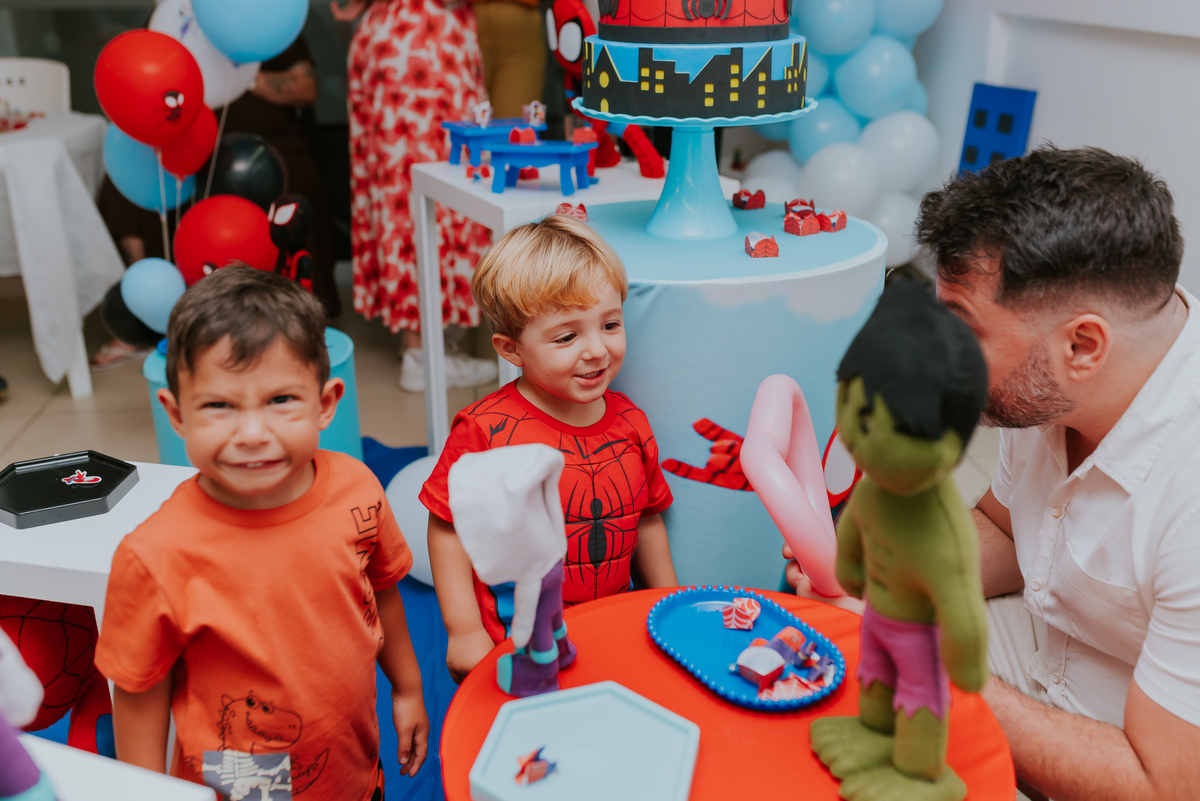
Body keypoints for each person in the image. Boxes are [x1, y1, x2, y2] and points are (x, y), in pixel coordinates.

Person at [787, 146, 1200, 801]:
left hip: (1132, 756)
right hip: (1039, 661)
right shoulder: (1053, 385)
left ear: (1083, 345)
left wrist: (931, 667)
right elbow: (1007, 532)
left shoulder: (1188, 499)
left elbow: (1163, 783)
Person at [93, 267, 428, 798]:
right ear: (177, 414)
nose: (252, 434)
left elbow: (381, 588)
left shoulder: (357, 488)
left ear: (325, 403)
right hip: (241, 779)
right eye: (219, 406)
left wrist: (408, 688)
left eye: (280, 401)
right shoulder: (154, 555)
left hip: (355, 765)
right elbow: (139, 690)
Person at [420, 215, 678, 682]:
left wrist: (667, 600)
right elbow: (447, 529)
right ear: (511, 349)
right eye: (566, 336)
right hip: (516, 638)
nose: (597, 349)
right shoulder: (484, 431)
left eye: (611, 324)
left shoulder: (631, 422)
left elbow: (647, 517)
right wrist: (463, 630)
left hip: (617, 623)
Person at [95, 35, 337, 367]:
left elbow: (306, 89)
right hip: (184, 137)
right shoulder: (172, 19)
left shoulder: (257, 18)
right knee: (125, 182)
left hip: (265, 140)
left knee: (298, 176)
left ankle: (295, 312)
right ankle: (144, 312)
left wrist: (236, 79)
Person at [334, 0, 500, 393]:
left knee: (397, 186)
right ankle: (423, 353)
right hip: (424, 40)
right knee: (434, 189)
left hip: (385, 31)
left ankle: (422, 338)